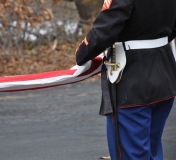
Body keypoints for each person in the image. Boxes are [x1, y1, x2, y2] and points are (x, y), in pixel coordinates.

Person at [75, 0, 176, 159]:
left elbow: (105, 29)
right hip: (165, 71)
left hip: (133, 80)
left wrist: (81, 54)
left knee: (132, 154)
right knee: (152, 150)